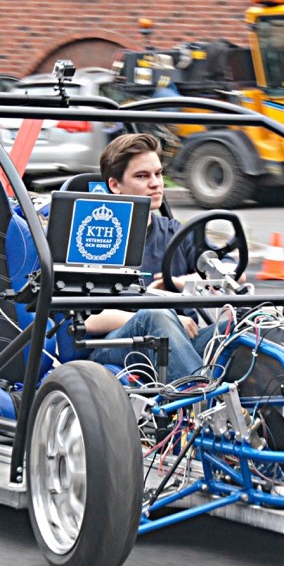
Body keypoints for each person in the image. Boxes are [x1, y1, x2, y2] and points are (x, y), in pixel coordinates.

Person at [83, 133, 221, 382]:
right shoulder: (96, 238)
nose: (156, 183)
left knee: (244, 330)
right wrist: (167, 320)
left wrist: (182, 282)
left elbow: (232, 275)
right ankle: (202, 398)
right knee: (156, 316)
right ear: (115, 185)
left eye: (158, 174)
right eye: (142, 176)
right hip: (116, 346)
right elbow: (88, 319)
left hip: (182, 341)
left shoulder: (174, 232)